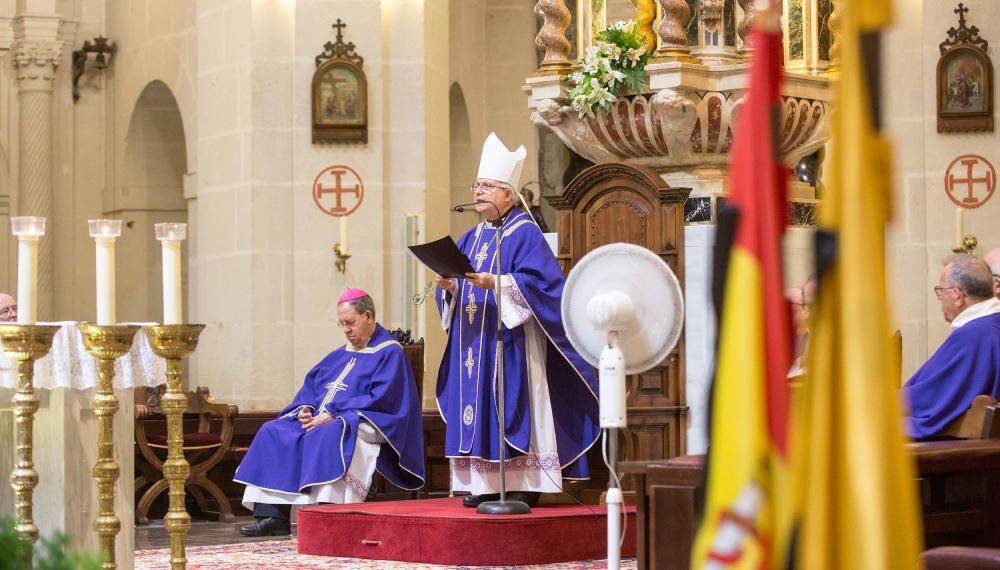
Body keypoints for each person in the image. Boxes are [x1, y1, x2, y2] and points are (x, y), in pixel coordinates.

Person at [433, 132, 600, 508]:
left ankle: (525, 481)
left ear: (509, 194)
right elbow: (462, 287)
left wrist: (500, 284)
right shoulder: (470, 237)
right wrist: (449, 288)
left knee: (514, 408)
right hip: (473, 345)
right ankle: (483, 484)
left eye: (488, 186)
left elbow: (547, 287)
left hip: (514, 346)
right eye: (477, 185)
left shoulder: (525, 233)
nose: (478, 192)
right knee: (476, 409)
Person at [234, 289, 424, 536]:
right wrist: (306, 410)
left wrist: (334, 413)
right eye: (342, 324)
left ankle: (329, 513)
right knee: (273, 430)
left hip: (369, 420)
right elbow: (312, 388)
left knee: (331, 432)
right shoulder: (339, 355)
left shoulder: (390, 352)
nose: (346, 330)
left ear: (368, 316)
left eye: (351, 322)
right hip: (325, 417)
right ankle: (273, 516)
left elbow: (384, 398)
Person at [902, 255, 1000, 440]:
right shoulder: (991, 326)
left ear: (957, 295)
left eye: (941, 290)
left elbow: (932, 399)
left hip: (965, 455)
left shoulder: (974, 335)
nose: (940, 298)